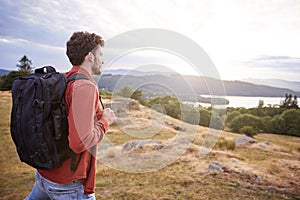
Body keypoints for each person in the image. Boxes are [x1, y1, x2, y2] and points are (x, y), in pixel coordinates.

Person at [26, 31, 115, 200]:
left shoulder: (65, 79)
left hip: (46, 175)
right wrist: (105, 121)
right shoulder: (85, 86)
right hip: (68, 185)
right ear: (90, 56)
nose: (102, 60)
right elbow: (79, 142)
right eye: (100, 55)